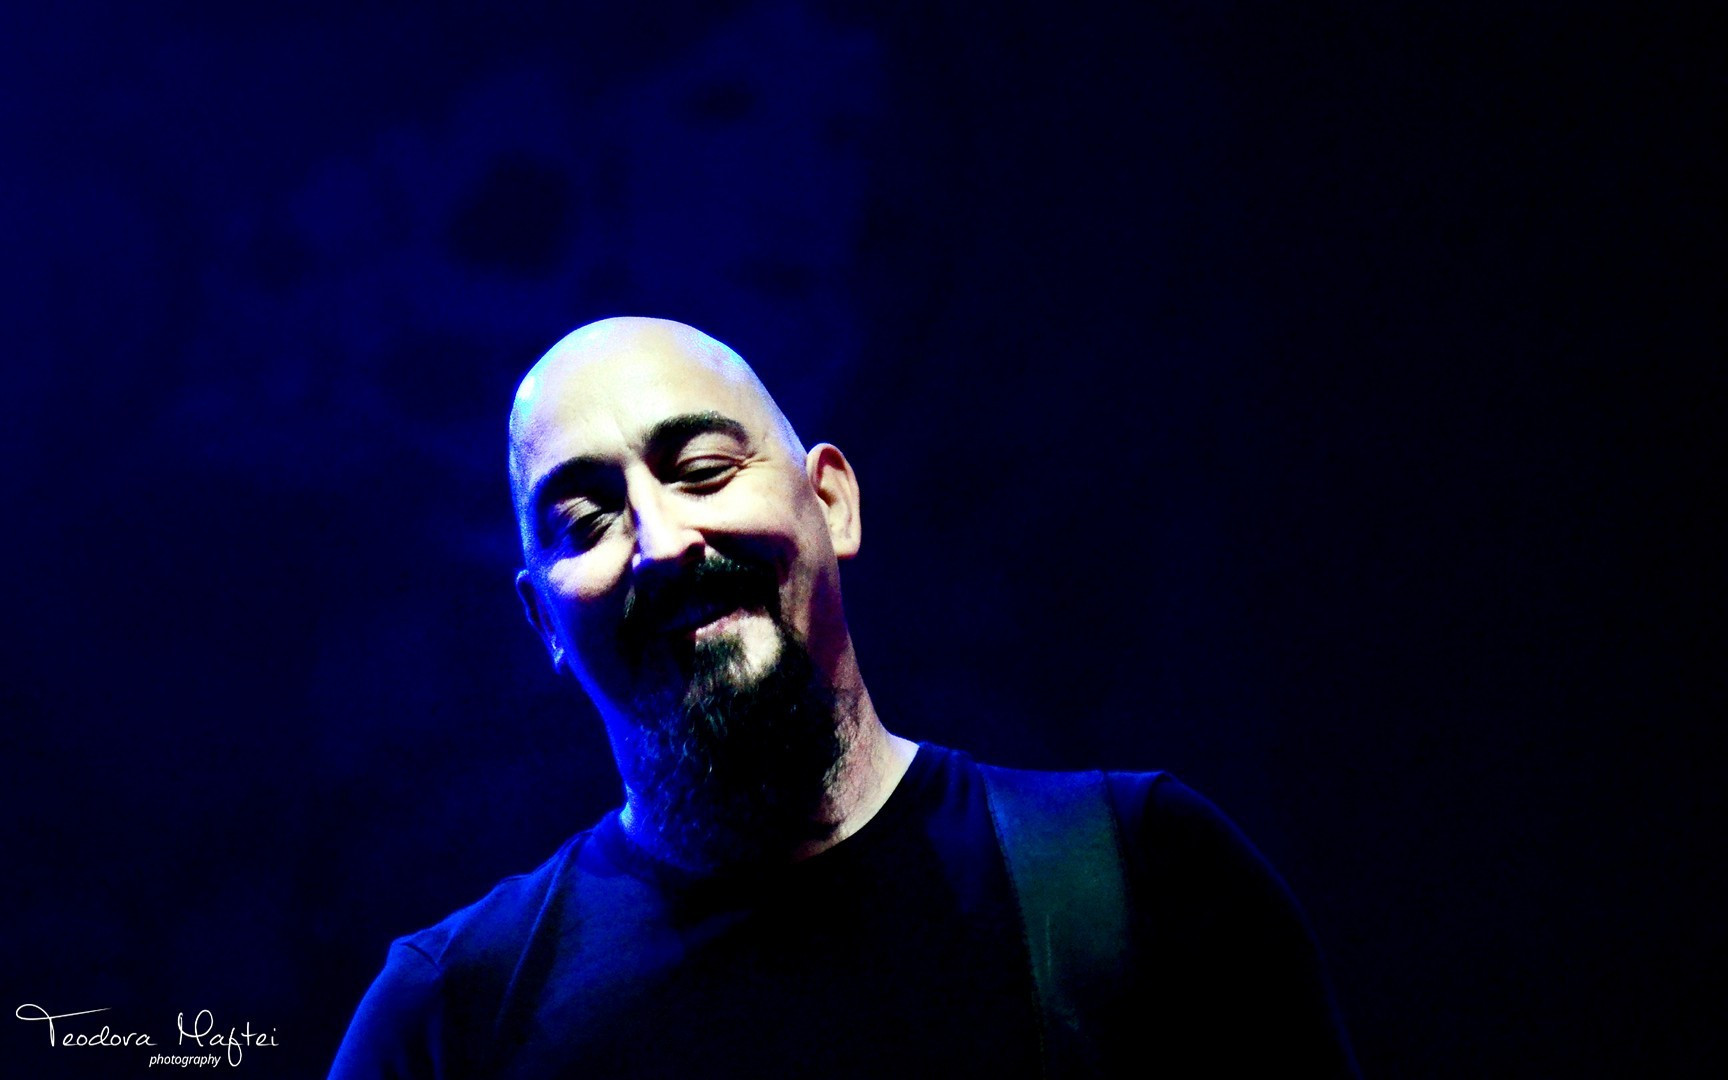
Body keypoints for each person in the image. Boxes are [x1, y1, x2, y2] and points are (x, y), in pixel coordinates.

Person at [329, 317, 1358, 1078]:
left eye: (703, 468)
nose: (662, 543)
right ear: (543, 623)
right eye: (589, 520)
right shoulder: (447, 1018)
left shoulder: (1140, 876)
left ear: (833, 501)